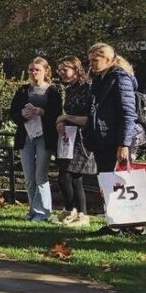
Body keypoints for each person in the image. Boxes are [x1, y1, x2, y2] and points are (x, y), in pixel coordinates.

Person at [83, 43, 143, 234]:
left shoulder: (120, 78)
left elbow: (128, 113)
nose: (92, 64)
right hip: (103, 139)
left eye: (96, 59)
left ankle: (130, 225)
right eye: (90, 60)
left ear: (108, 59)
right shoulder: (101, 79)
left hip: (117, 139)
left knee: (122, 182)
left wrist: (124, 143)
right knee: (108, 182)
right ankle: (115, 224)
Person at [9, 57, 62, 222]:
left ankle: (43, 212)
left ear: (46, 71)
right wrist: (22, 115)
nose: (33, 72)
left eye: (37, 69)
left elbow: (57, 114)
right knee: (29, 177)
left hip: (44, 137)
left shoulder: (53, 91)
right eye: (31, 69)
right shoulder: (23, 91)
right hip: (26, 136)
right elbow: (13, 114)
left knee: (41, 175)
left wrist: (42, 112)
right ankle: (33, 210)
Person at [54, 57, 95, 228]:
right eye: (59, 70)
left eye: (65, 69)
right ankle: (75, 211)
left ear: (76, 68)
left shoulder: (88, 88)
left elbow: (90, 118)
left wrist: (66, 118)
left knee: (67, 176)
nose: (61, 73)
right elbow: (67, 114)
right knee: (72, 178)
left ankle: (79, 212)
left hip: (83, 138)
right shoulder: (70, 89)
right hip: (69, 136)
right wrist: (61, 122)